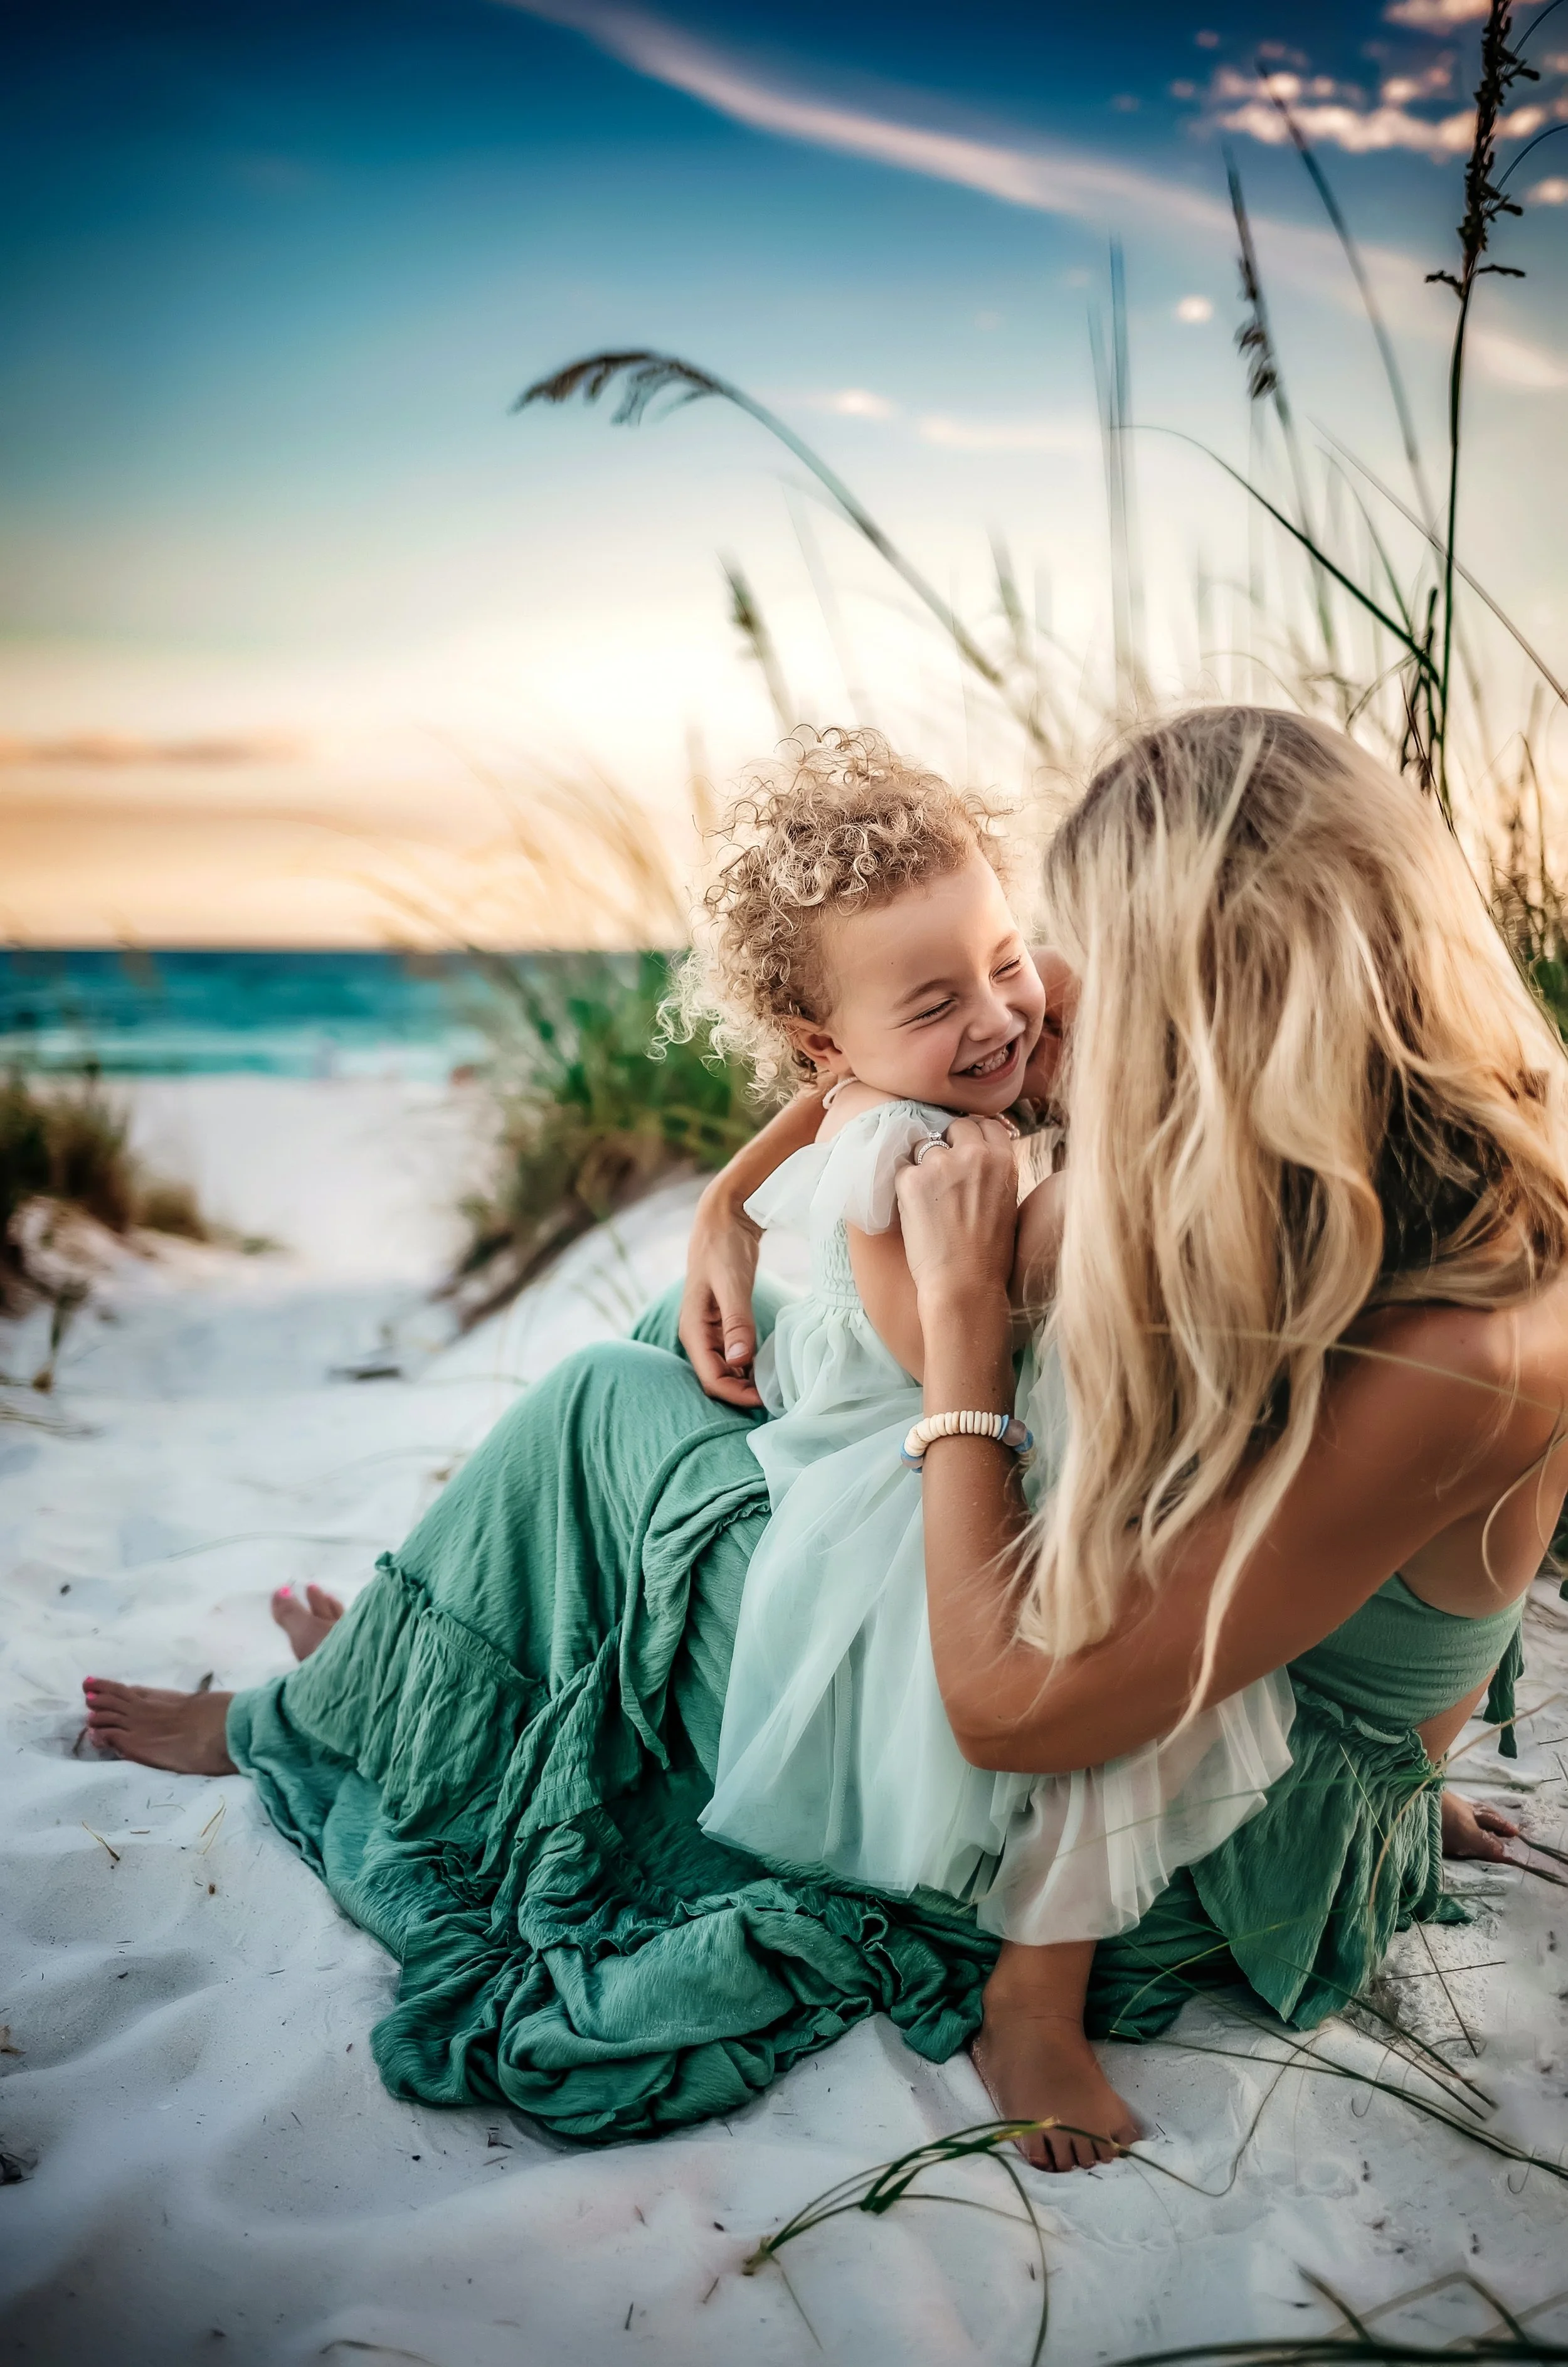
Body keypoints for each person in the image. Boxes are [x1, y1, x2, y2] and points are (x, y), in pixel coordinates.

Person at [85, 710, 1552, 2173]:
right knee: (683, 1338)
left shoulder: (1456, 1346)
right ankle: (416, 1666)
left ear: (1213, 987)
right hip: (1227, 1717)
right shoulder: (1409, 1147)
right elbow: (889, 1059)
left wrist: (966, 1329)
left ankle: (314, 1716)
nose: (1049, 1004)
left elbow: (1010, 1710)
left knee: (602, 1403)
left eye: (1090, 957)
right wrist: (729, 1196)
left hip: (1193, 1853)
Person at [674, 736, 1293, 2161]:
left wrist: (737, 1178)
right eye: (938, 999)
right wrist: (1064, 1193)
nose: (1001, 1015)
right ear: (828, 1040)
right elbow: (949, 1363)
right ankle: (1037, 1989)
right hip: (917, 1474)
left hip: (997, 1419)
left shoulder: (967, 1023)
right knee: (1106, 1586)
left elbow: (984, 995)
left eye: (1000, 955)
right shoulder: (905, 1153)